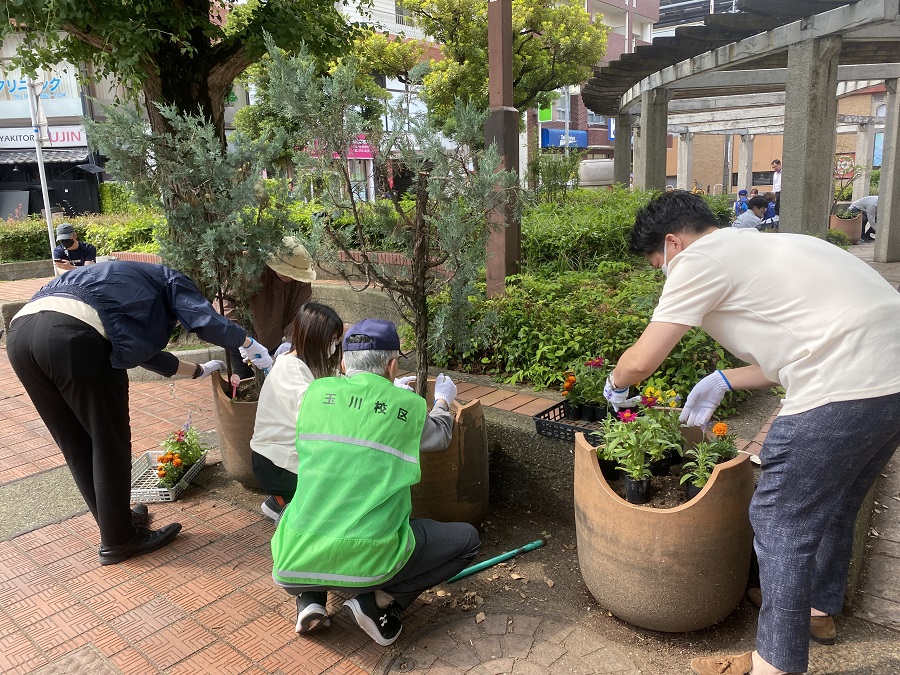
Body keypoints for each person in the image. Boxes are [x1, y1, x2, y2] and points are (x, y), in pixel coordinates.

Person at [601, 191, 900, 675]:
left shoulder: (697, 261)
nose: (663, 272)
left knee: (780, 521)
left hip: (840, 387)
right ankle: (816, 610)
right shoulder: (774, 245)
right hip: (890, 384)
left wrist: (615, 385)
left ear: (674, 243)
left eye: (658, 262)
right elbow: (797, 347)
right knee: (839, 499)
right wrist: (723, 378)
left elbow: (641, 360)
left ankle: (775, 664)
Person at [6, 261, 274, 566]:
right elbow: (204, 321)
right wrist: (247, 342)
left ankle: (117, 522)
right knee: (109, 441)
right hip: (74, 338)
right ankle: (120, 541)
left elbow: (144, 354)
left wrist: (198, 370)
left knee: (76, 443)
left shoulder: (115, 278)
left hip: (21, 335)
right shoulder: (173, 279)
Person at [270, 318, 481, 645]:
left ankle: (309, 600)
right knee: (468, 541)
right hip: (369, 563)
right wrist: (441, 400)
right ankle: (380, 602)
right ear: (393, 365)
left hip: (291, 559)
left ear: (342, 362)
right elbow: (438, 436)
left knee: (306, 510)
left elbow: (349, 420)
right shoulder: (408, 406)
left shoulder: (314, 393)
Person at [250, 302, 344, 523]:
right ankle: (287, 507)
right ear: (314, 338)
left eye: (337, 340)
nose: (334, 346)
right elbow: (314, 412)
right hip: (276, 462)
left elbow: (339, 385)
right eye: (332, 340)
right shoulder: (289, 369)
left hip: (288, 456)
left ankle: (283, 500)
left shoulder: (313, 365)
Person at [224, 236, 316, 378]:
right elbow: (227, 302)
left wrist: (292, 344)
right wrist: (241, 337)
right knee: (244, 380)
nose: (290, 277)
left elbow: (299, 315)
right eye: (287, 272)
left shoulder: (301, 283)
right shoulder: (250, 268)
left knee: (272, 380)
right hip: (242, 339)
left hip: (272, 339)